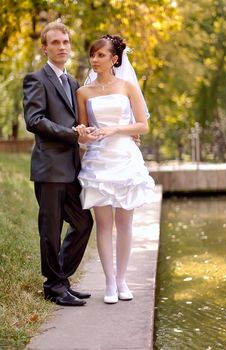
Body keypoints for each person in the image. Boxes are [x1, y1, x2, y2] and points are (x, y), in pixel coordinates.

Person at [75, 35, 157, 304]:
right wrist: (84, 134)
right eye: (92, 55)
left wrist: (116, 129)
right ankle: (109, 282)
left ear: (115, 59)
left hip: (125, 157)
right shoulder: (83, 93)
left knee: (125, 223)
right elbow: (83, 134)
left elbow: (143, 125)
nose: (94, 60)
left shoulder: (128, 87)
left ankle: (122, 280)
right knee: (104, 224)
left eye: (100, 55)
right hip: (98, 161)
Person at [23, 21, 96, 306]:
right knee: (51, 230)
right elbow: (34, 121)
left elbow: (79, 121)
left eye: (65, 42)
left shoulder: (73, 82)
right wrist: (73, 135)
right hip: (50, 168)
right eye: (55, 43)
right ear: (45, 48)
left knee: (82, 222)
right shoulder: (35, 79)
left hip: (71, 169)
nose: (62, 47)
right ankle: (54, 288)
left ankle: (60, 280)